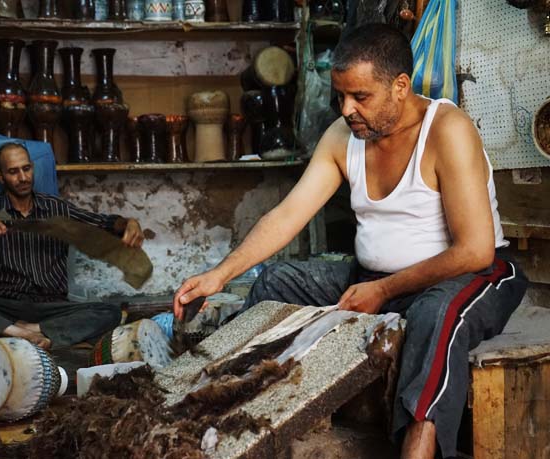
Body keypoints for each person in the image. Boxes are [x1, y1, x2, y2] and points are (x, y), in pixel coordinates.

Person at [173, 23, 527, 459]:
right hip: (377, 277)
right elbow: (287, 215)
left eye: (361, 97)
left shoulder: (446, 130)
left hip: (469, 275)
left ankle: (419, 448)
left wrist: (383, 290)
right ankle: (244, 410)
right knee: (277, 282)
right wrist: (218, 275)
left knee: (437, 315)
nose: (347, 109)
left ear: (400, 86)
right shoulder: (344, 137)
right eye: (340, 96)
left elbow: (475, 250)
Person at [0, 142, 145, 350]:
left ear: (33, 168)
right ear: (0, 176)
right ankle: (31, 334)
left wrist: (129, 222)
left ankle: (26, 330)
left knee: (110, 312)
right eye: (13, 172)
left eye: (26, 169)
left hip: (51, 307)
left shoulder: (55, 208)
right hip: (3, 305)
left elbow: (105, 223)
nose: (23, 178)